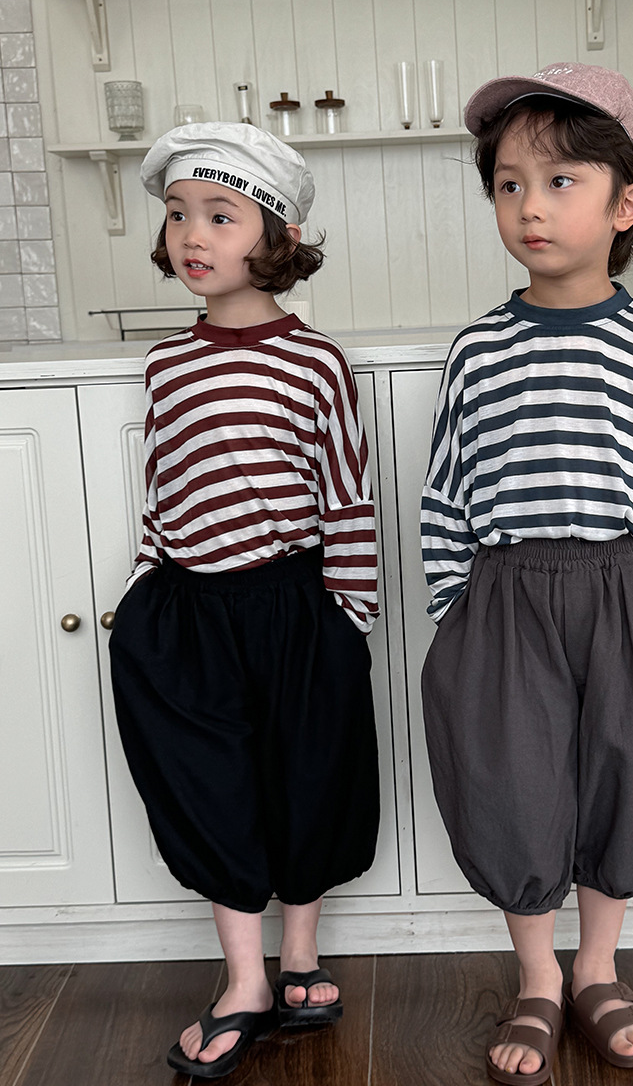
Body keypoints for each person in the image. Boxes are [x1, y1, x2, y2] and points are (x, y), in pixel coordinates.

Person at [420, 64, 633, 1084]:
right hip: (508, 594)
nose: (530, 207)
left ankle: (598, 967)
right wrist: (456, 607)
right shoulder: (478, 351)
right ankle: (538, 975)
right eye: (508, 185)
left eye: (559, 182)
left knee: (632, 768)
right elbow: (448, 486)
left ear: (626, 204)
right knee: (511, 777)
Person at [108, 122, 380, 1080]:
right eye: (179, 214)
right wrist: (145, 584)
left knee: (306, 776)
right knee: (209, 784)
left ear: (277, 236)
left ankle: (299, 956)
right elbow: (163, 484)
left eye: (220, 215)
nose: (193, 234)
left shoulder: (315, 362)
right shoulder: (166, 364)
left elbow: (347, 491)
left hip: (294, 605)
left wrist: (349, 616)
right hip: (188, 611)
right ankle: (244, 979)